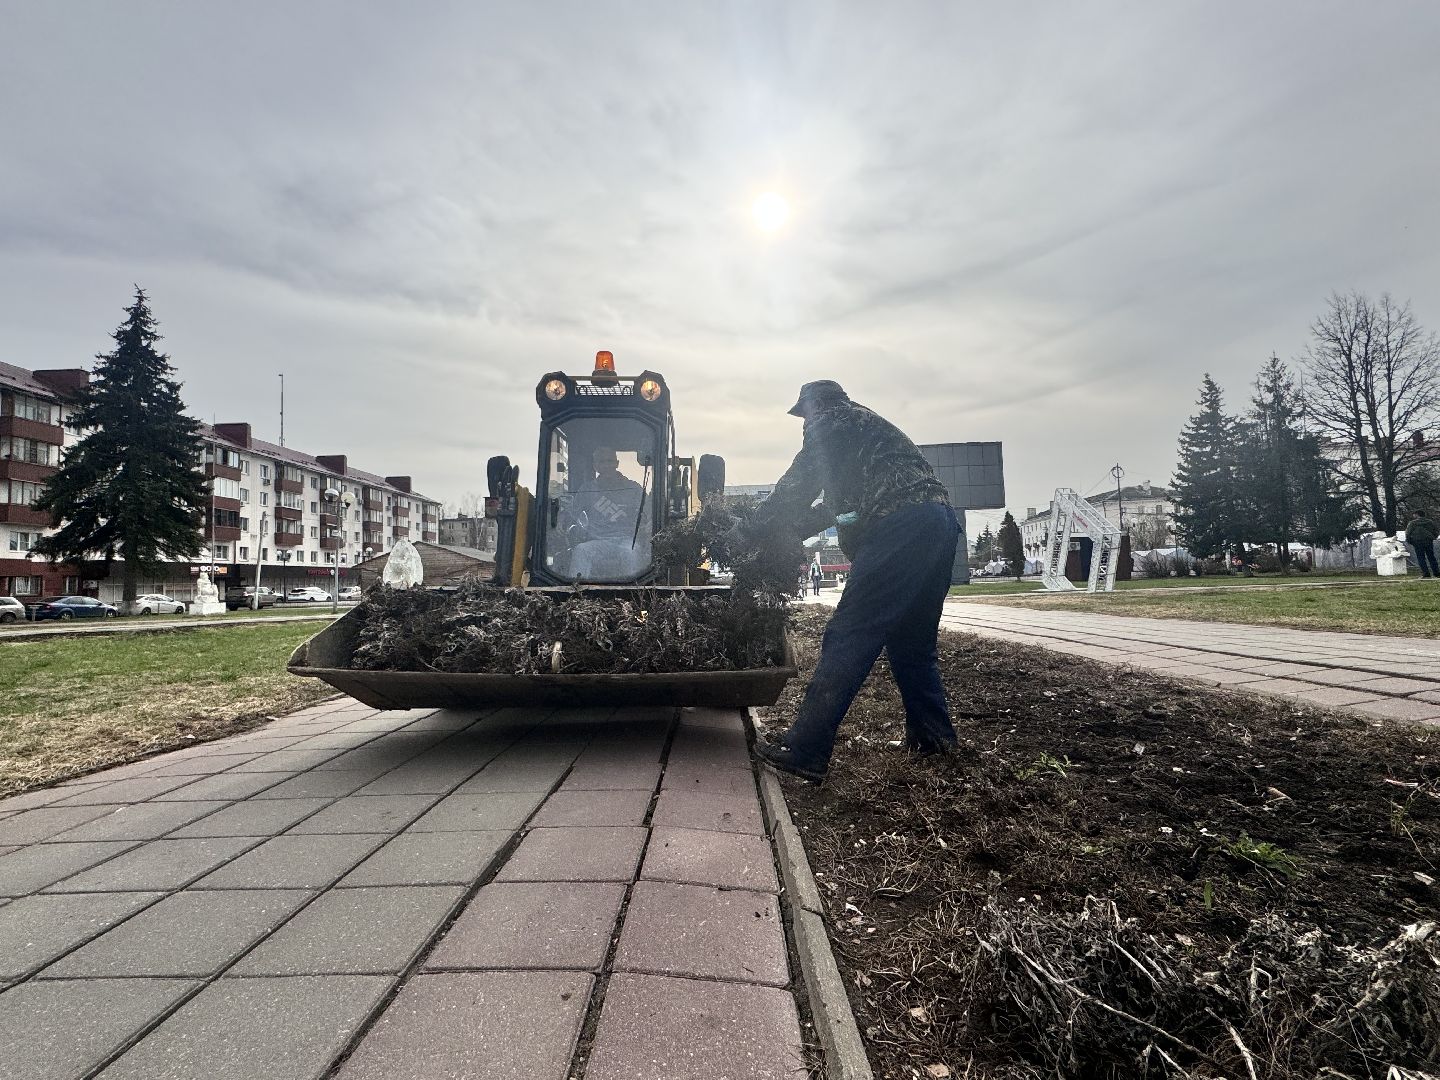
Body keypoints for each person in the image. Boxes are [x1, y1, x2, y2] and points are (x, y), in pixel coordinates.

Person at [747, 379, 961, 783]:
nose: (803, 425)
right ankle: (934, 740)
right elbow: (830, 510)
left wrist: (754, 527)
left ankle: (806, 747)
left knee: (849, 633)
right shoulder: (865, 435)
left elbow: (795, 489)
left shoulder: (831, 424)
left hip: (900, 525)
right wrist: (790, 530)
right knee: (912, 644)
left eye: (803, 416)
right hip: (939, 523)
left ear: (814, 408)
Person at [570, 447, 647, 578]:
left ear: (616, 464)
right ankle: (576, 595)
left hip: (627, 541)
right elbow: (573, 513)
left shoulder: (634, 489)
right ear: (595, 466)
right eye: (601, 462)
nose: (606, 465)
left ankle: (634, 594)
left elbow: (647, 514)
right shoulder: (587, 489)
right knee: (581, 550)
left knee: (632, 552)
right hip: (598, 542)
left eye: (609, 461)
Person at [1405, 508, 1439, 578]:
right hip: (1428, 541)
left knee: (1421, 558)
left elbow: (1408, 533)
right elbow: (1436, 531)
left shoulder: (1412, 523)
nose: (1413, 515)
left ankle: (1426, 573)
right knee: (1431, 557)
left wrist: (1409, 541)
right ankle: (1437, 573)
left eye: (1414, 514)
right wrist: (1433, 537)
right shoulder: (1430, 522)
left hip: (1417, 542)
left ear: (1417, 514)